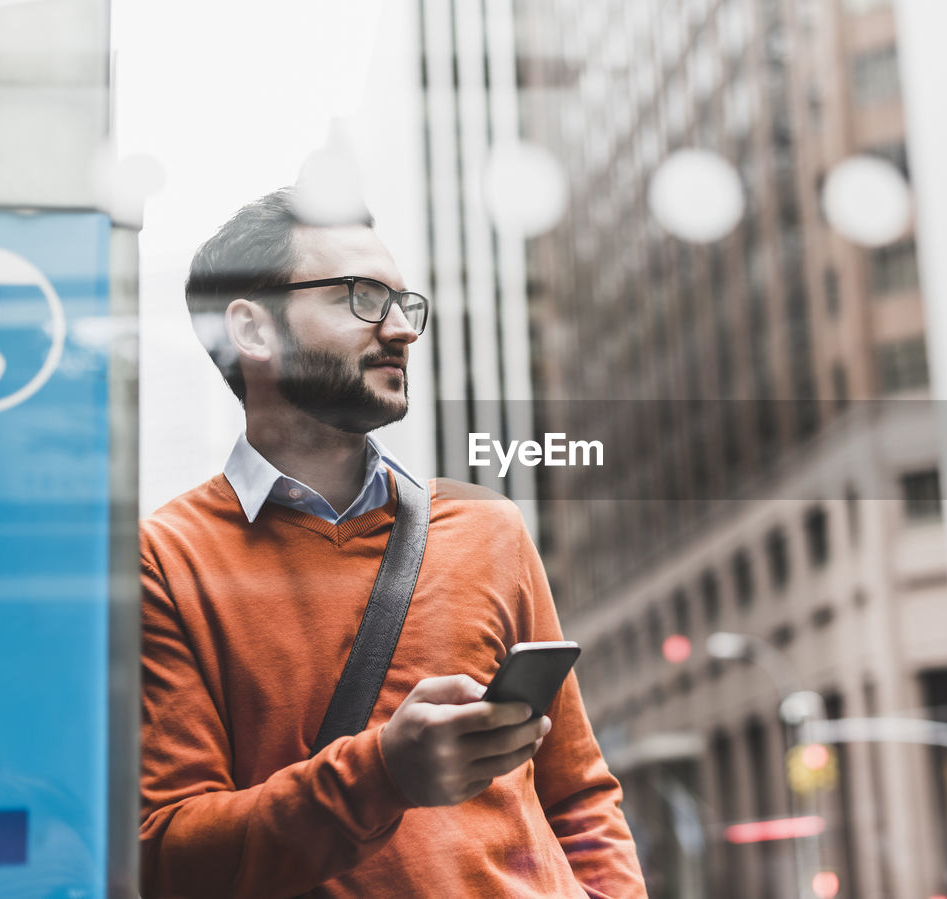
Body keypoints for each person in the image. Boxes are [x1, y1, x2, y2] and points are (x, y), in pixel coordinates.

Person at [139, 187, 647, 898]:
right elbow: (168, 856)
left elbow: (581, 797)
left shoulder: (488, 527)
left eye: (406, 305)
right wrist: (380, 775)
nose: (402, 330)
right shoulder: (164, 558)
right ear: (252, 331)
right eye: (361, 297)